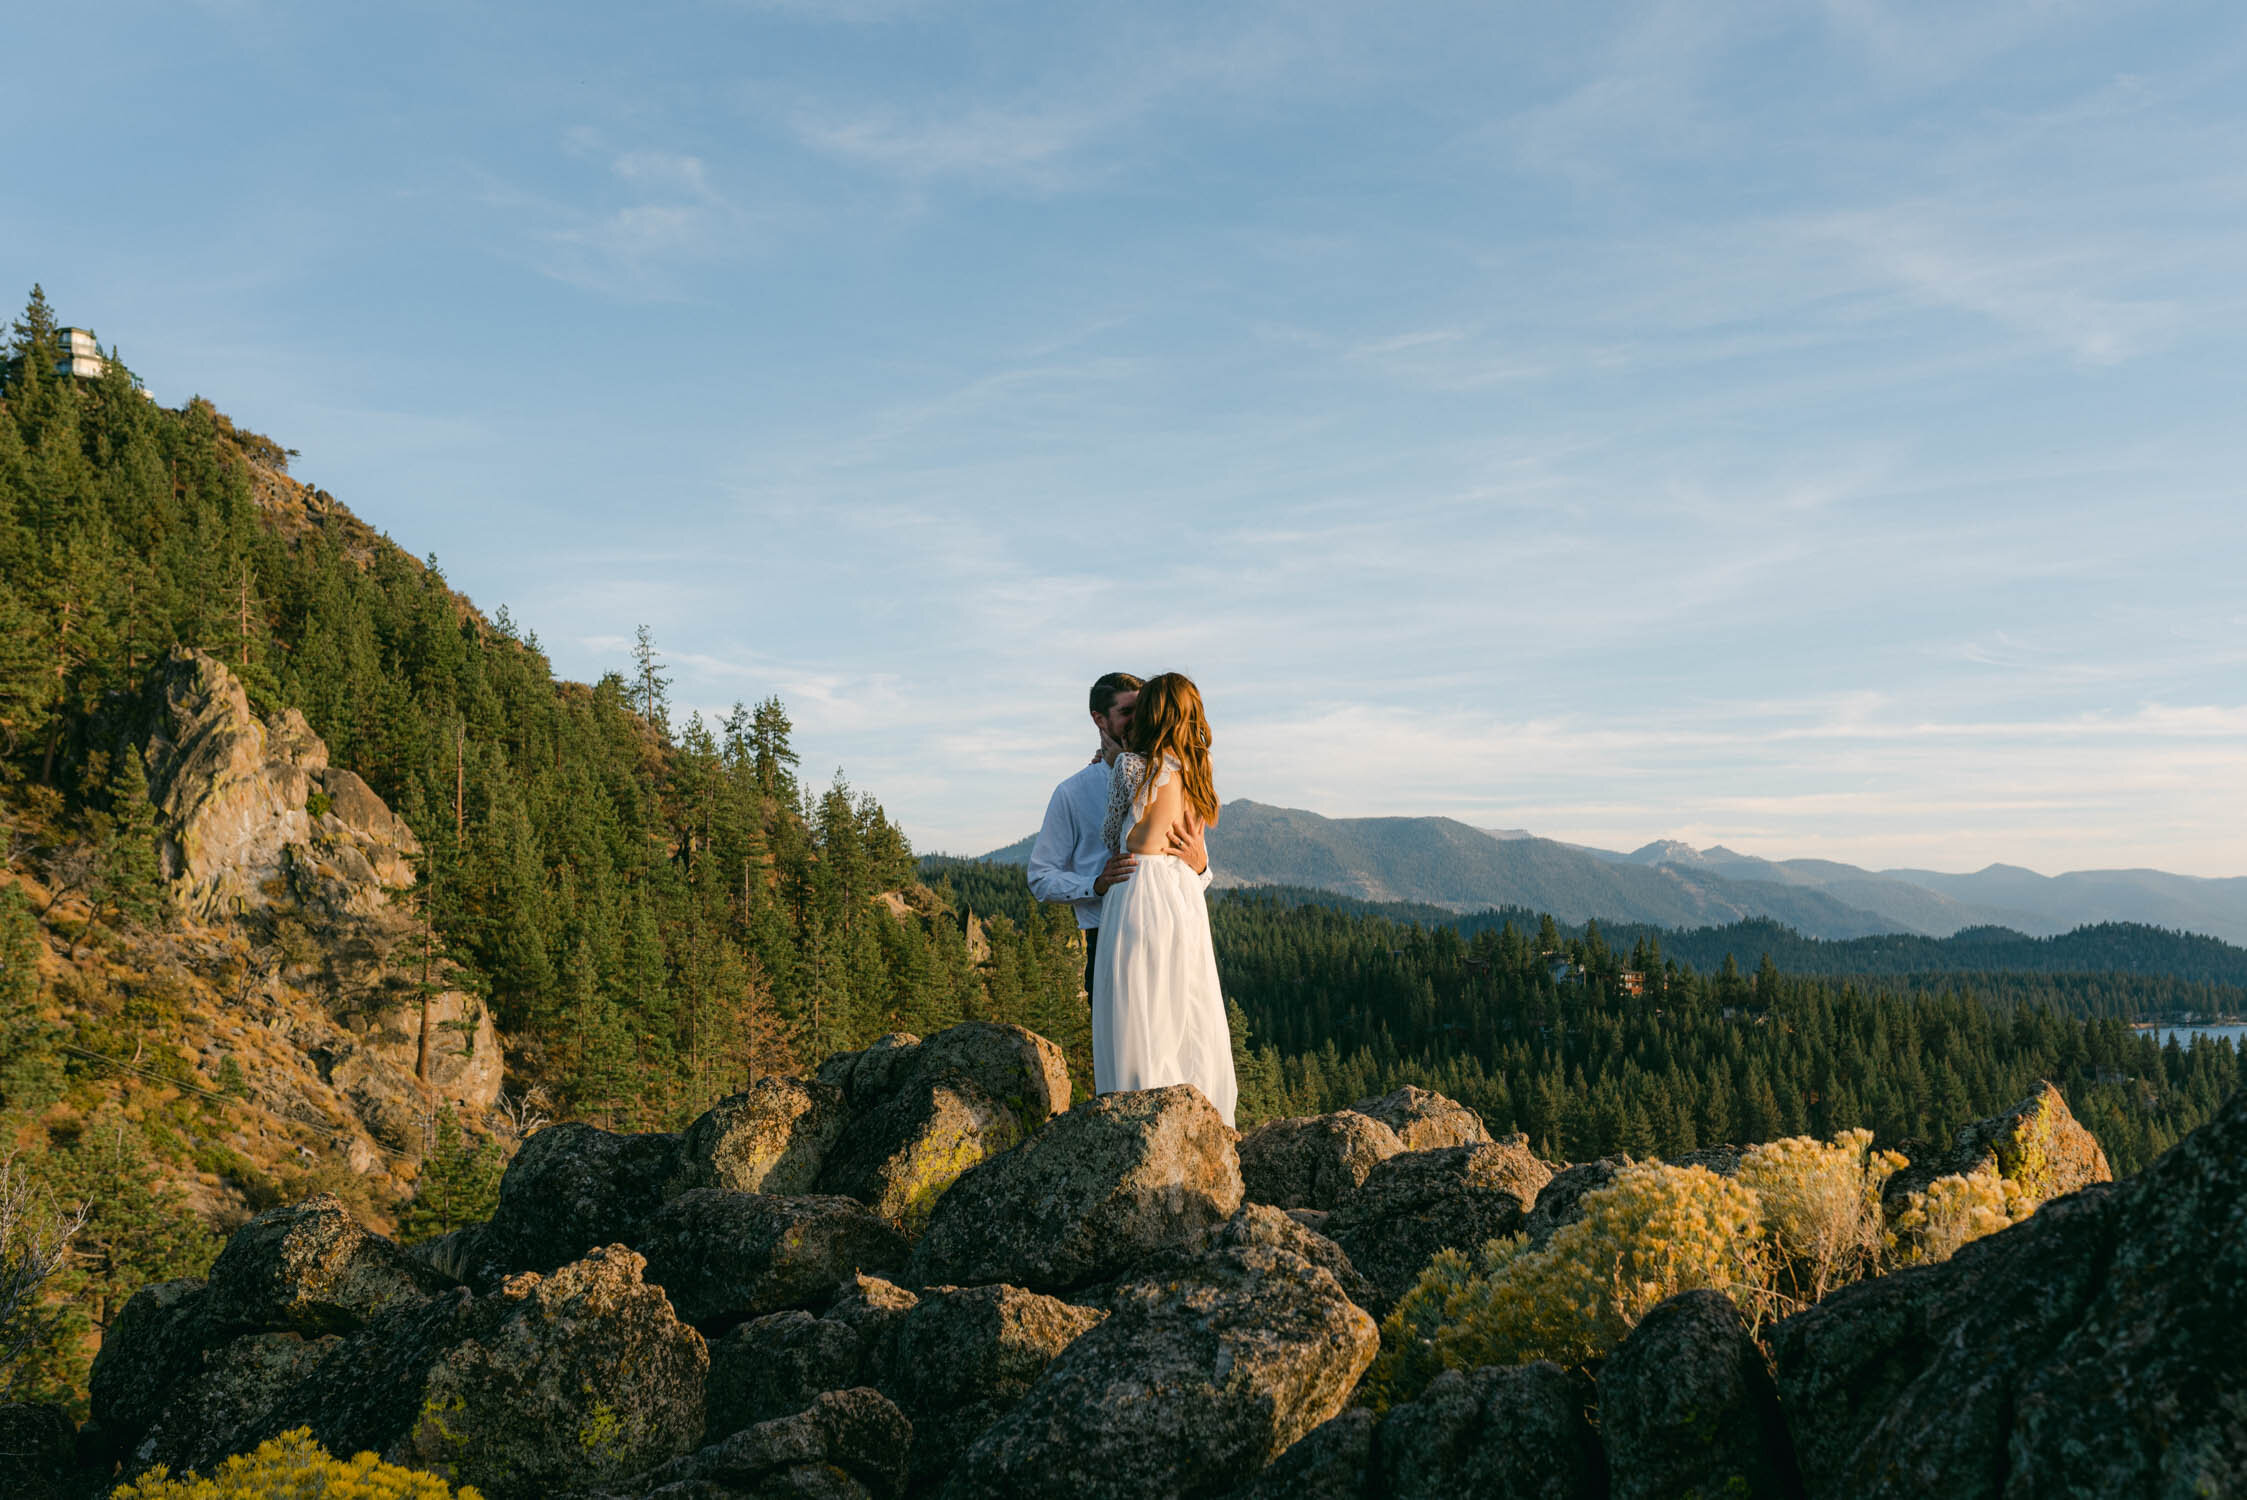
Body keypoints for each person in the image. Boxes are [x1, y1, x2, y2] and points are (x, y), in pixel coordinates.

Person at [1091, 671, 1237, 1126]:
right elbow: (1193, 849)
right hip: (1184, 895)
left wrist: (1117, 763)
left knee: (1139, 1007)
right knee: (1186, 1004)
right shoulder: (1197, 771)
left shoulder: (1132, 767)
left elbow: (1113, 835)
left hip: (1140, 889)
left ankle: (1137, 1117)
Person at [1027, 672, 1209, 996]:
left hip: (1171, 933)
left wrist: (1201, 867)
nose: (1140, 720)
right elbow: (1040, 877)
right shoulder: (1073, 793)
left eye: (1144, 710)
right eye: (1127, 713)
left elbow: (1196, 876)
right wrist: (1094, 885)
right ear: (1099, 719)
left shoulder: (1176, 777)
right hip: (1106, 937)